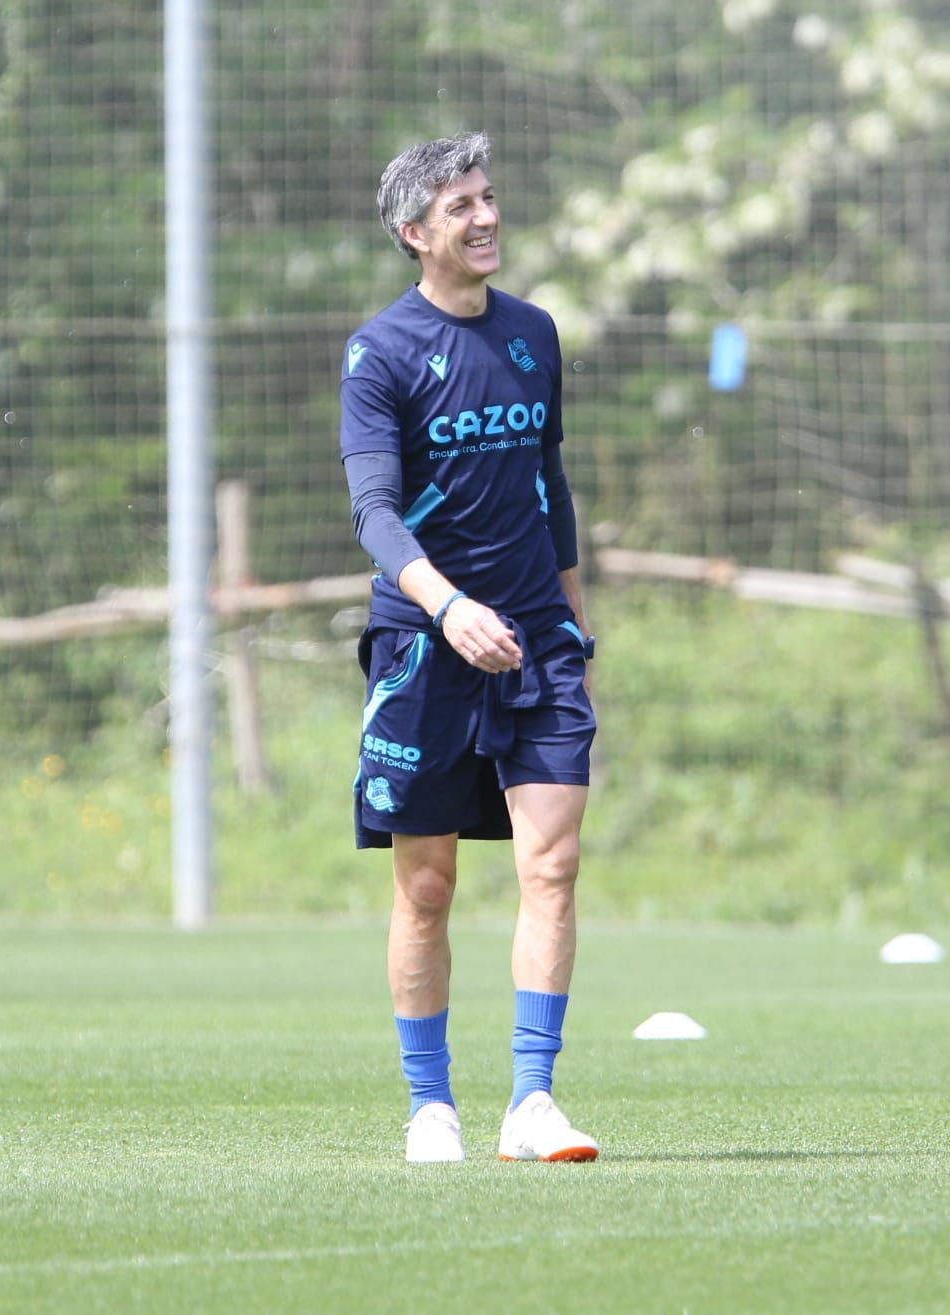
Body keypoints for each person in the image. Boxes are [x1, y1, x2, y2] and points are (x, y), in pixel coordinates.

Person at [339, 132, 599, 1164]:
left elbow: (551, 488)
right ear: (413, 232)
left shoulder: (534, 333)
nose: (487, 217)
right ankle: (430, 1105)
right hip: (424, 643)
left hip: (537, 640)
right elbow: (375, 514)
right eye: (461, 206)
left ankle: (532, 1102)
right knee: (428, 886)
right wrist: (448, 609)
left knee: (554, 864)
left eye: (488, 197)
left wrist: (573, 625)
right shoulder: (380, 353)